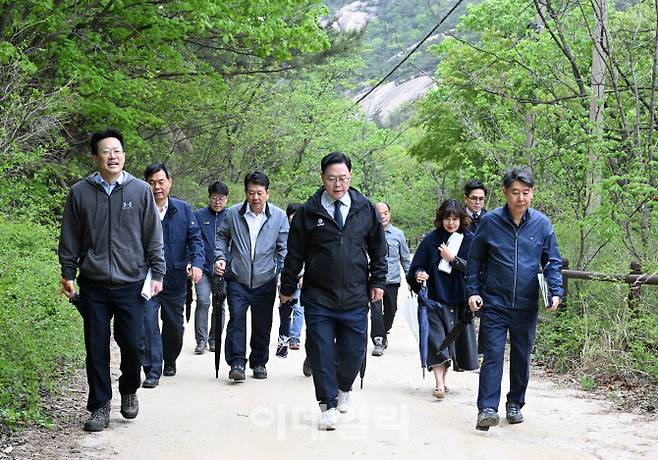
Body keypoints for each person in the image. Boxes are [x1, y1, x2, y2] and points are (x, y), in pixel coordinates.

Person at [58, 128, 165, 432]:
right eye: (106, 151)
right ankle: (100, 406)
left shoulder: (140, 190)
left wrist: (158, 272)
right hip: (93, 283)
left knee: (132, 344)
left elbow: (152, 236)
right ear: (95, 157)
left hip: (131, 282)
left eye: (117, 150)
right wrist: (68, 273)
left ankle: (129, 389)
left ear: (124, 155)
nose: (112, 156)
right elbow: (69, 237)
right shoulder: (80, 192)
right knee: (96, 346)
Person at [280, 152, 387, 431]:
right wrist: (288, 287)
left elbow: (378, 250)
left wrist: (378, 282)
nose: (337, 184)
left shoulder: (365, 209)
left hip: (354, 295)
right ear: (322, 178)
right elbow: (294, 254)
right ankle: (327, 405)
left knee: (353, 352)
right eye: (331, 179)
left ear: (350, 177)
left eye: (342, 178)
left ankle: (343, 387)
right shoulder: (308, 211)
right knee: (322, 351)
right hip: (318, 296)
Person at [465, 168, 563, 431]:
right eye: (515, 193)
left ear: (532, 193)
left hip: (526, 305)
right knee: (494, 355)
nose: (521, 198)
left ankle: (515, 403)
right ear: (505, 193)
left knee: (521, 357)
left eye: (526, 193)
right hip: (495, 303)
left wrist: (555, 291)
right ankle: (487, 408)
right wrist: (473, 291)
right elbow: (475, 261)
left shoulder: (542, 224)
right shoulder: (490, 222)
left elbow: (552, 260)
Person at [214, 171, 289, 381]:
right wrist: (220, 257)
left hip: (266, 280)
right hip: (238, 278)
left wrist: (283, 273)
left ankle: (259, 363)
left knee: (262, 324)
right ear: (245, 192)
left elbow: (285, 248)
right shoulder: (232, 214)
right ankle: (237, 362)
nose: (255, 198)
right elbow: (221, 237)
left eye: (259, 193)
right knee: (236, 320)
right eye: (251, 193)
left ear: (267, 193)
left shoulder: (279, 217)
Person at [141, 163, 204, 388]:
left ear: (169, 182)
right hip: (146, 278)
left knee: (174, 326)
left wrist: (196, 264)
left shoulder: (183, 209)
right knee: (148, 322)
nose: (157, 187)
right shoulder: (139, 208)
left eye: (161, 182)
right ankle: (152, 370)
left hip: (175, 278)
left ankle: (170, 359)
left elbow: (195, 239)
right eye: (151, 183)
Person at [407, 199, 478, 398]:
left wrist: (452, 259)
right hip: (435, 298)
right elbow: (417, 267)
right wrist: (419, 274)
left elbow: (476, 269)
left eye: (455, 219)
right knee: (436, 339)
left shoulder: (470, 240)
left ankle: (444, 379)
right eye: (447, 218)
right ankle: (439, 383)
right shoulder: (431, 240)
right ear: (441, 219)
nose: (451, 223)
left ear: (462, 220)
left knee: (451, 341)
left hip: (460, 299)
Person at [193, 181, 230, 354]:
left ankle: (215, 338)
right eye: (214, 198)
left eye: (221, 198)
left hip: (223, 270)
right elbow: (192, 242)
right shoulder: (198, 216)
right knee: (203, 301)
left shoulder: (231, 217)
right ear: (209, 198)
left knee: (219, 304)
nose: (217, 202)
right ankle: (201, 340)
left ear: (226, 199)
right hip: (203, 268)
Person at [371, 202, 411, 356]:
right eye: (379, 213)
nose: (382, 216)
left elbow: (405, 259)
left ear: (389, 213)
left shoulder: (398, 234)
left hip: (392, 280)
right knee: (375, 310)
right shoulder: (368, 233)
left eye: (385, 213)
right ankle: (378, 340)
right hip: (373, 280)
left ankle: (384, 330)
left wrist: (411, 279)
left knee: (391, 310)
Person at [275, 203, 304, 359]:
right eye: (292, 214)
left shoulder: (306, 233)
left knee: (299, 308)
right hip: (284, 278)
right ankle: (284, 339)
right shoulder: (282, 232)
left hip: (300, 278)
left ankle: (295, 337)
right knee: (285, 310)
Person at [463, 179, 488, 355]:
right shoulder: (457, 218)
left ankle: (481, 353)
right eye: (474, 198)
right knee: (462, 314)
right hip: (460, 271)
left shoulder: (490, 219)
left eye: (481, 198)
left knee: (486, 314)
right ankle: (462, 353)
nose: (477, 202)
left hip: (484, 273)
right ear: (466, 199)